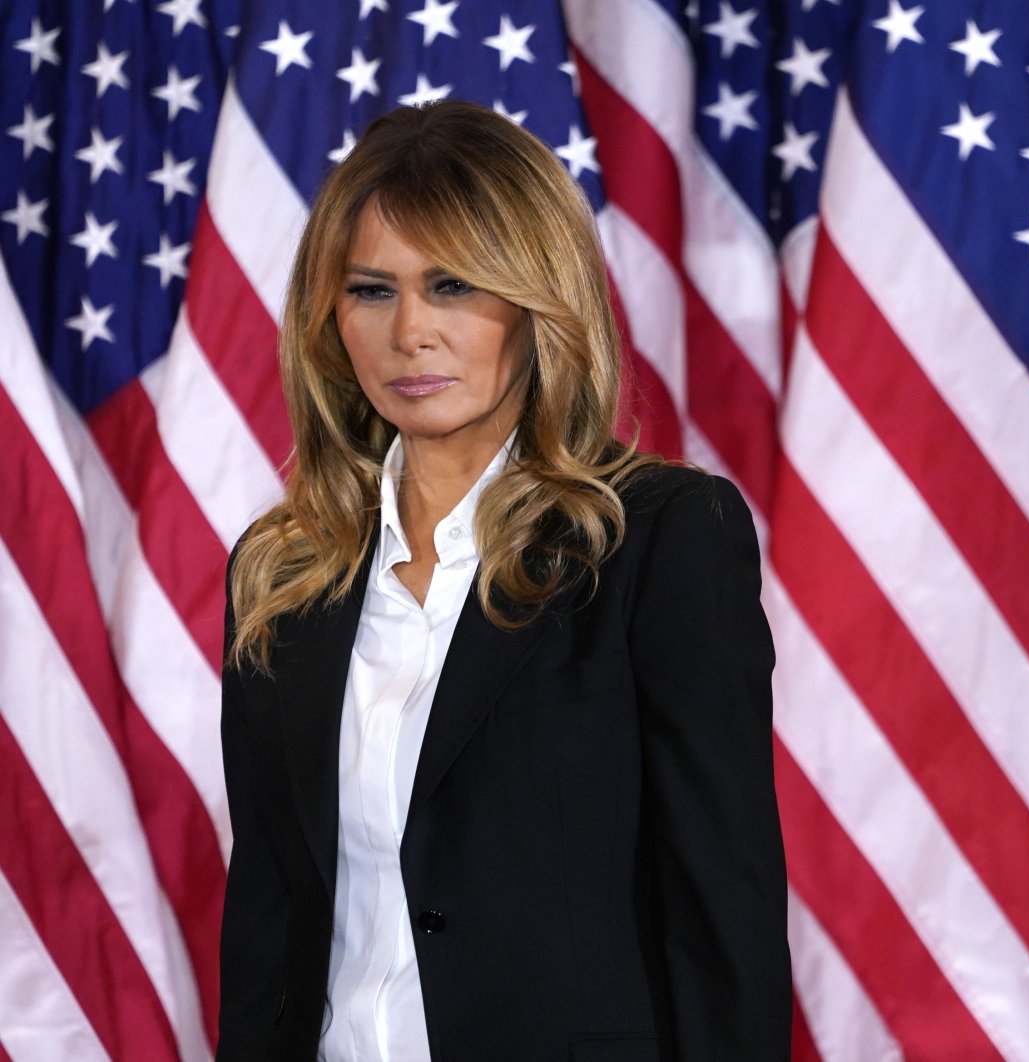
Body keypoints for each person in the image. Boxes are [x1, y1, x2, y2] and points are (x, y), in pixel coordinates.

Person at [218, 100, 790, 1061]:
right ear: (328, 318)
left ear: (537, 299)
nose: (411, 333)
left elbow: (720, 910)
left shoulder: (659, 538)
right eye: (370, 289)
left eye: (452, 284)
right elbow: (267, 925)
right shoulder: (286, 571)